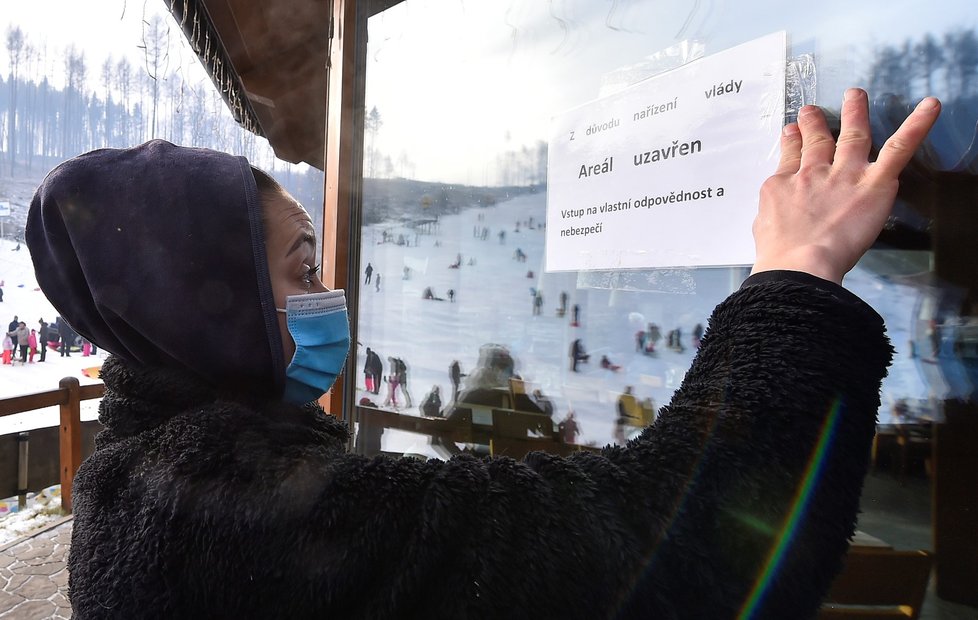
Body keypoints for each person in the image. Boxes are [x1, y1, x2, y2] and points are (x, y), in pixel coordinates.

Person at [26, 90, 942, 619]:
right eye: (303, 265)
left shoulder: (145, 477)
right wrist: (798, 278)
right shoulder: (223, 512)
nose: (329, 293)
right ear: (202, 301)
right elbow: (681, 547)